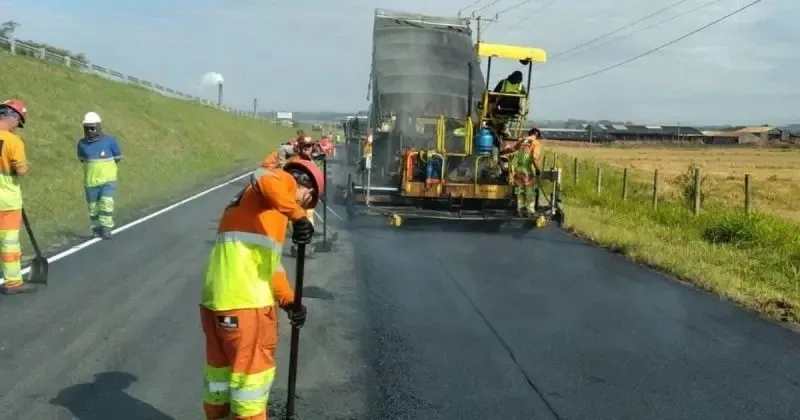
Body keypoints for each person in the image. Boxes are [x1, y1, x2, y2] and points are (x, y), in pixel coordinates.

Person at [200, 159, 323, 420]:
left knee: (219, 380)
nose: (300, 208)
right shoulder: (281, 181)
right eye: (305, 203)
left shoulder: (255, 207)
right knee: (251, 385)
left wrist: (289, 301)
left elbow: (270, 266)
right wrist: (298, 215)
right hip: (247, 304)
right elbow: (263, 176)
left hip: (215, 301)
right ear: (308, 192)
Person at [0, 99, 35, 295]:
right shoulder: (13, 141)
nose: (17, 127)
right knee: (9, 243)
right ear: (13, 117)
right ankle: (13, 283)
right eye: (18, 123)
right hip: (6, 201)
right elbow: (21, 170)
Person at [76, 112, 122, 239]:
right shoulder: (81, 144)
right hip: (90, 181)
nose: (90, 131)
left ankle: (106, 227)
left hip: (108, 180)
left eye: (92, 128)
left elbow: (118, 157)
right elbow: (81, 159)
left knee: (106, 203)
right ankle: (96, 228)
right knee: (93, 207)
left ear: (98, 127)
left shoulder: (110, 141)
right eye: (87, 128)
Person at [505, 127, 543, 217]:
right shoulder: (536, 143)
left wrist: (502, 152)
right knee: (530, 191)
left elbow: (512, 149)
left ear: (530, 133)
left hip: (518, 170)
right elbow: (534, 157)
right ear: (537, 136)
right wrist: (537, 169)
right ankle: (529, 210)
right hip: (527, 171)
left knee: (520, 191)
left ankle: (520, 209)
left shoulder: (522, 140)